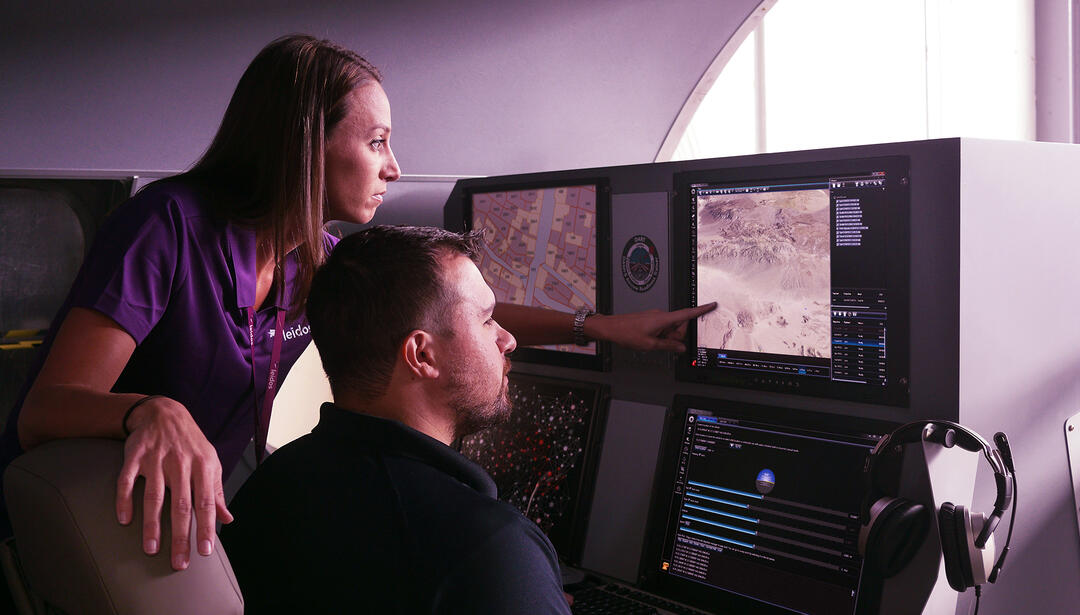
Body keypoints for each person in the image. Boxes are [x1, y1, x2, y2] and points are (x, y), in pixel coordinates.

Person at [0, 34, 715, 574]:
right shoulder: (167, 228)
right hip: (88, 525)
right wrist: (148, 409)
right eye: (376, 142)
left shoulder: (314, 260)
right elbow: (44, 410)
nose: (394, 167)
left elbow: (448, 310)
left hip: (184, 525)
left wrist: (601, 326)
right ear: (306, 142)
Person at [221, 225, 573, 614]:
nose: (508, 340)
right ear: (421, 355)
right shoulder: (491, 548)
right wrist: (525, 584)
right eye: (487, 320)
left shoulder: (265, 491)